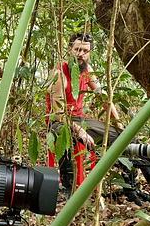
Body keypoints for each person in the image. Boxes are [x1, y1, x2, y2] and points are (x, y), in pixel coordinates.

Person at [46, 32, 122, 190]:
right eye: (77, 49)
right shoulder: (59, 73)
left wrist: (119, 124)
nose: (80, 54)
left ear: (90, 53)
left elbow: (104, 99)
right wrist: (80, 131)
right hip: (59, 122)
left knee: (121, 136)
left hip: (80, 119)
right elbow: (59, 114)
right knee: (65, 135)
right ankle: (70, 186)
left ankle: (135, 186)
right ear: (70, 50)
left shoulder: (88, 70)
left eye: (85, 51)